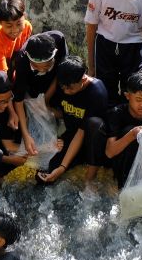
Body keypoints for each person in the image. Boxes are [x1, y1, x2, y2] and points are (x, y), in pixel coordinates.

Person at [36, 55, 108, 185]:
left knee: (94, 123)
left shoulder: (96, 92)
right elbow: (60, 112)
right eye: (63, 87)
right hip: (71, 135)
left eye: (70, 88)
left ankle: (90, 179)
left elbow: (81, 132)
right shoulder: (63, 82)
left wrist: (63, 167)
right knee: (43, 176)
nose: (66, 91)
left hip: (90, 139)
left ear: (83, 79)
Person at [102, 70, 142, 188]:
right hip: (120, 161)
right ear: (127, 96)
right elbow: (109, 152)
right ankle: (123, 186)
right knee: (131, 131)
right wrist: (132, 134)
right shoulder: (116, 114)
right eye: (138, 99)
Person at [10, 31, 66, 156]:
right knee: (35, 110)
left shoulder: (59, 40)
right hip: (33, 86)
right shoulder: (21, 61)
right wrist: (26, 135)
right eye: (36, 67)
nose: (42, 70)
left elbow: (60, 73)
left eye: (45, 67)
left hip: (55, 83)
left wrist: (45, 100)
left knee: (59, 111)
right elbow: (18, 99)